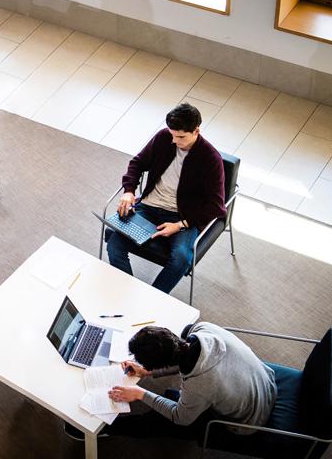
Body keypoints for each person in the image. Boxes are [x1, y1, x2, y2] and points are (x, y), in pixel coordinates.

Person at [105, 102, 226, 294]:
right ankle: (128, 293)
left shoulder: (211, 159)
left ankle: (153, 299)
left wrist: (180, 225)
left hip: (182, 216)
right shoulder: (164, 137)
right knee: (114, 245)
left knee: (181, 259)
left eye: (181, 137)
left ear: (196, 131)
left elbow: (216, 207)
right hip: (149, 206)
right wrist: (129, 190)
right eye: (172, 134)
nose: (174, 141)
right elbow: (137, 163)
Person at [100, 323, 277, 440]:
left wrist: (140, 394)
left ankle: (108, 428)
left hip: (248, 419)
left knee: (160, 418)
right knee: (173, 396)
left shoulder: (200, 384)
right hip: (265, 383)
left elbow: (180, 417)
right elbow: (181, 354)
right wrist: (148, 371)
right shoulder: (202, 329)